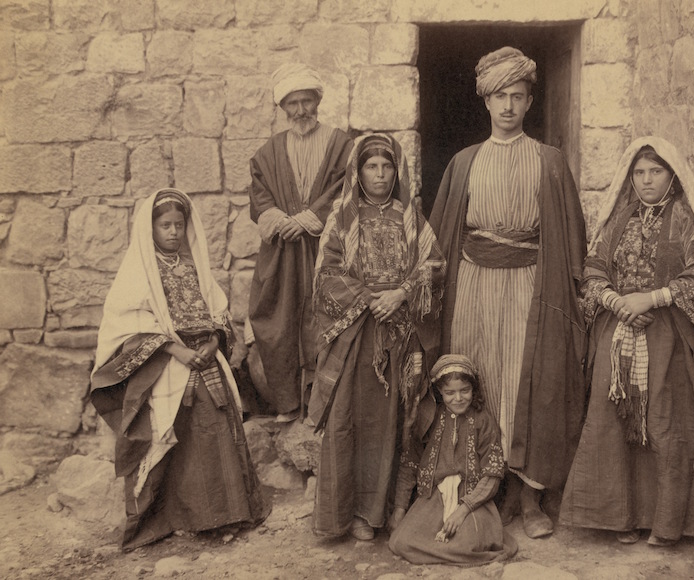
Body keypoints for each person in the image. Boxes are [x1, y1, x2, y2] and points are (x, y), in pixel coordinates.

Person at [429, 46, 587, 538]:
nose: (509, 106)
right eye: (500, 95)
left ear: (529, 102)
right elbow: (438, 239)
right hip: (474, 285)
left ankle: (530, 494)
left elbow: (571, 237)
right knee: (480, 379)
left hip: (529, 287)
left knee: (527, 383)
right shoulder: (463, 162)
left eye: (518, 96)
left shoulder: (550, 161)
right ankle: (480, 492)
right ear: (485, 101)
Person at [559, 137, 694, 548]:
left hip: (668, 336)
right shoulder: (621, 218)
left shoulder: (684, 220)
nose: (646, 181)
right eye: (639, 173)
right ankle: (619, 518)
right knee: (609, 419)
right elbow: (593, 267)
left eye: (655, 172)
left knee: (665, 422)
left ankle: (667, 523)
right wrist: (618, 302)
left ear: (672, 176)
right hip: (618, 330)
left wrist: (654, 298)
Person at [90, 188, 269, 551]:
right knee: (177, 437)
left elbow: (217, 312)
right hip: (168, 364)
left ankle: (227, 514)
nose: (173, 232)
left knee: (217, 429)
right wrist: (176, 350)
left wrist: (214, 343)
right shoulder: (139, 272)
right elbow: (129, 324)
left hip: (206, 360)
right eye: (165, 225)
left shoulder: (192, 266)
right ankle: (182, 517)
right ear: (151, 228)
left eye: (178, 225)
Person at [310, 134, 446, 541]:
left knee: (394, 423)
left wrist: (401, 293)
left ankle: (382, 512)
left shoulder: (412, 219)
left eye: (387, 167)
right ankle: (347, 514)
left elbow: (435, 265)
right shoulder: (342, 219)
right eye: (372, 167)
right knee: (351, 421)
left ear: (398, 171)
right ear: (358, 171)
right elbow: (325, 276)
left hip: (401, 333)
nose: (380, 174)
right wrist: (370, 299)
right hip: (357, 336)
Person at [248, 63, 353, 422]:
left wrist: (308, 220)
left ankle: (324, 403)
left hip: (329, 248)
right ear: (282, 108)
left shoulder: (342, 144)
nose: (300, 110)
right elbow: (259, 197)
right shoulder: (268, 153)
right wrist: (280, 221)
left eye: (306, 101)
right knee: (277, 321)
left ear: (318, 101)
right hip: (282, 252)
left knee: (325, 321)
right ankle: (288, 403)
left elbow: (346, 188)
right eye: (292, 104)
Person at [388, 354, 518, 565]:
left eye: (464, 390)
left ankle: (448, 549)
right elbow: (410, 463)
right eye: (449, 392)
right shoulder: (429, 417)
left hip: (472, 499)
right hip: (434, 495)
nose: (458, 398)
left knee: (469, 543)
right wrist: (400, 509)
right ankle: (445, 550)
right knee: (400, 542)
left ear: (473, 389)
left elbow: (492, 473)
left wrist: (463, 509)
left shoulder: (482, 420)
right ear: (439, 392)